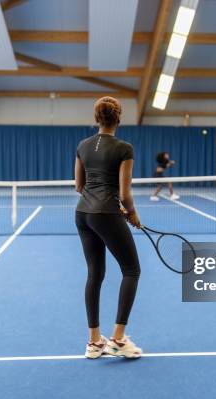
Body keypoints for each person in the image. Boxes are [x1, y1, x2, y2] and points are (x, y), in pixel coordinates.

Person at [74, 96, 143, 359]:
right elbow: (125, 194)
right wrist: (132, 213)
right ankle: (117, 339)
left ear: (96, 119)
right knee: (132, 270)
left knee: (95, 274)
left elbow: (79, 186)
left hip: (82, 214)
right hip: (106, 213)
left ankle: (94, 343)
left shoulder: (82, 145)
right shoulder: (124, 148)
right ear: (119, 119)